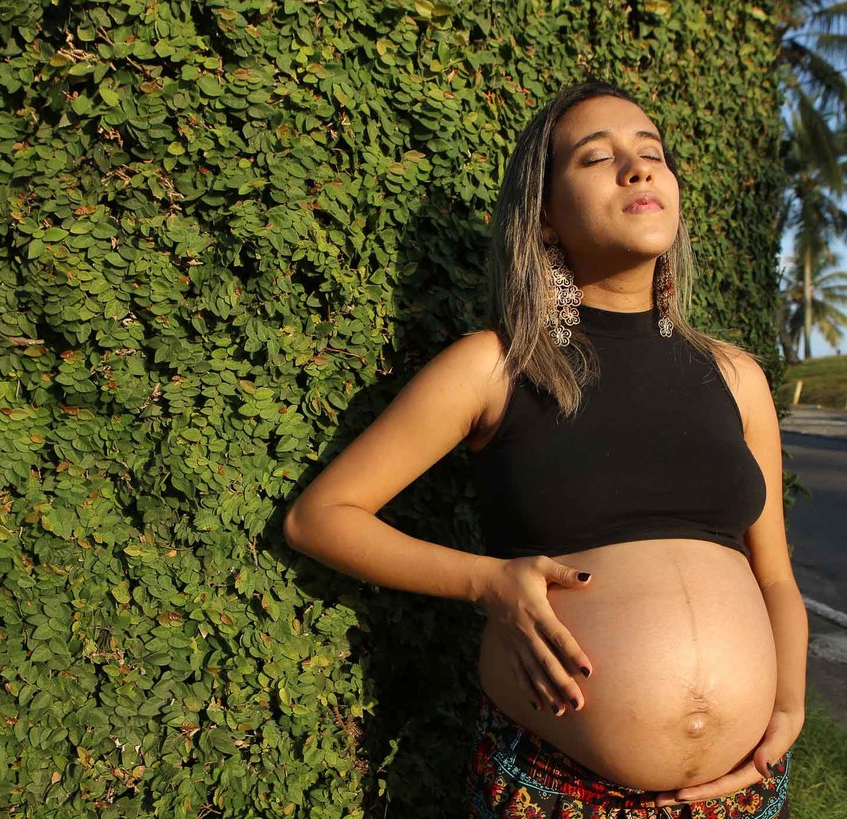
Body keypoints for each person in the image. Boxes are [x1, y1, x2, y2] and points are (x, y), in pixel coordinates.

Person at [283, 80, 807, 818]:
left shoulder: (737, 376)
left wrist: (788, 703)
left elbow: (776, 577)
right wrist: (487, 581)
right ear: (546, 218)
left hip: (737, 796)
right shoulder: (494, 366)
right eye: (598, 158)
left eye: (651, 153)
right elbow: (321, 516)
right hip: (556, 792)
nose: (638, 168)